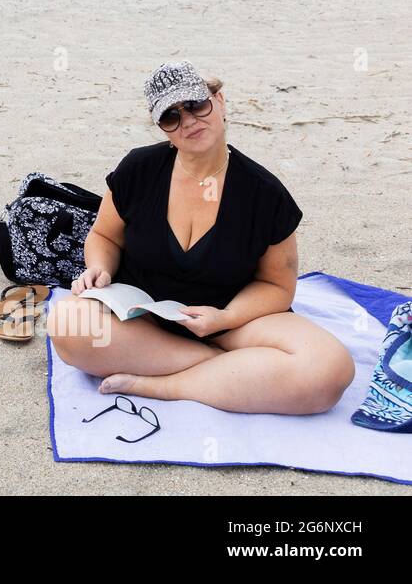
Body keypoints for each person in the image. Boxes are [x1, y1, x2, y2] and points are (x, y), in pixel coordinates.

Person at [46, 61, 354, 414]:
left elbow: (277, 286)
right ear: (163, 128)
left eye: (195, 104)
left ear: (219, 101)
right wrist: (99, 267)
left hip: (229, 319)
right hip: (141, 317)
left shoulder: (265, 195)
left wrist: (224, 319)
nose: (188, 120)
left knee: (330, 370)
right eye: (170, 116)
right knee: (67, 321)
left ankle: (161, 385)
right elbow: (104, 235)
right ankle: (235, 370)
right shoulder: (138, 169)